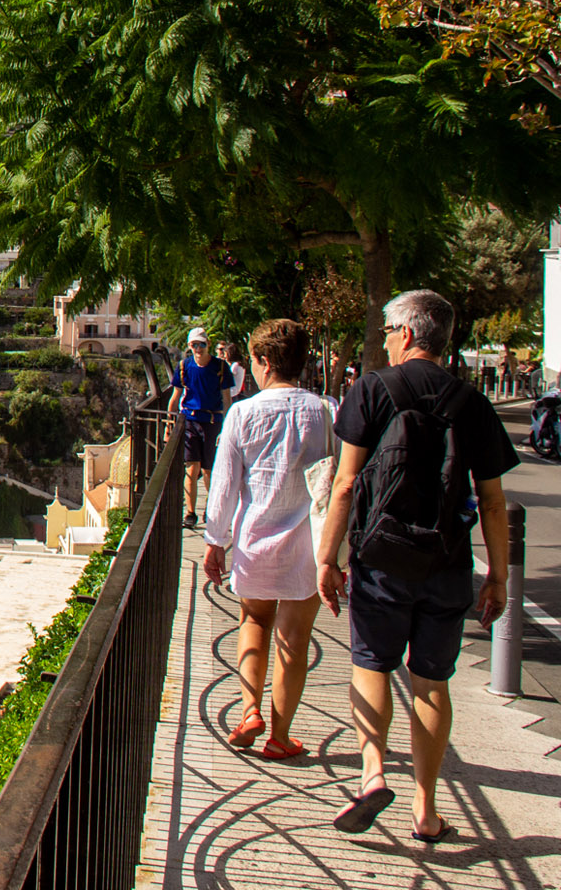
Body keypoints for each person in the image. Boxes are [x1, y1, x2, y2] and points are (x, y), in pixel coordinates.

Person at [316, 290, 516, 843]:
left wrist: (328, 558)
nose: (382, 338)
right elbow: (493, 501)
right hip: (447, 562)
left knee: (372, 664)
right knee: (431, 683)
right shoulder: (472, 402)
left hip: (381, 561)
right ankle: (426, 812)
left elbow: (346, 484)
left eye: (386, 330)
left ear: (406, 333)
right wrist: (497, 577)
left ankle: (373, 772)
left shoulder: (372, 389)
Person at [203, 320, 335, 759]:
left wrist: (214, 540)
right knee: (295, 641)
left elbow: (224, 486)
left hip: (254, 540)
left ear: (262, 363)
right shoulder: (326, 412)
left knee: (253, 623)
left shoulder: (242, 413)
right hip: (308, 547)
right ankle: (280, 738)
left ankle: (249, 711)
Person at [170, 326, 235, 525]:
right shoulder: (184, 367)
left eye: (202, 344)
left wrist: (227, 426)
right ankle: (190, 513)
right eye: (194, 345)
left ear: (207, 345)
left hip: (212, 421)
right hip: (190, 419)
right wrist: (168, 425)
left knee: (208, 469)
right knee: (192, 467)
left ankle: (210, 507)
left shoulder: (220, 367)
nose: (198, 348)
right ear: (189, 347)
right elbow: (175, 397)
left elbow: (226, 399)